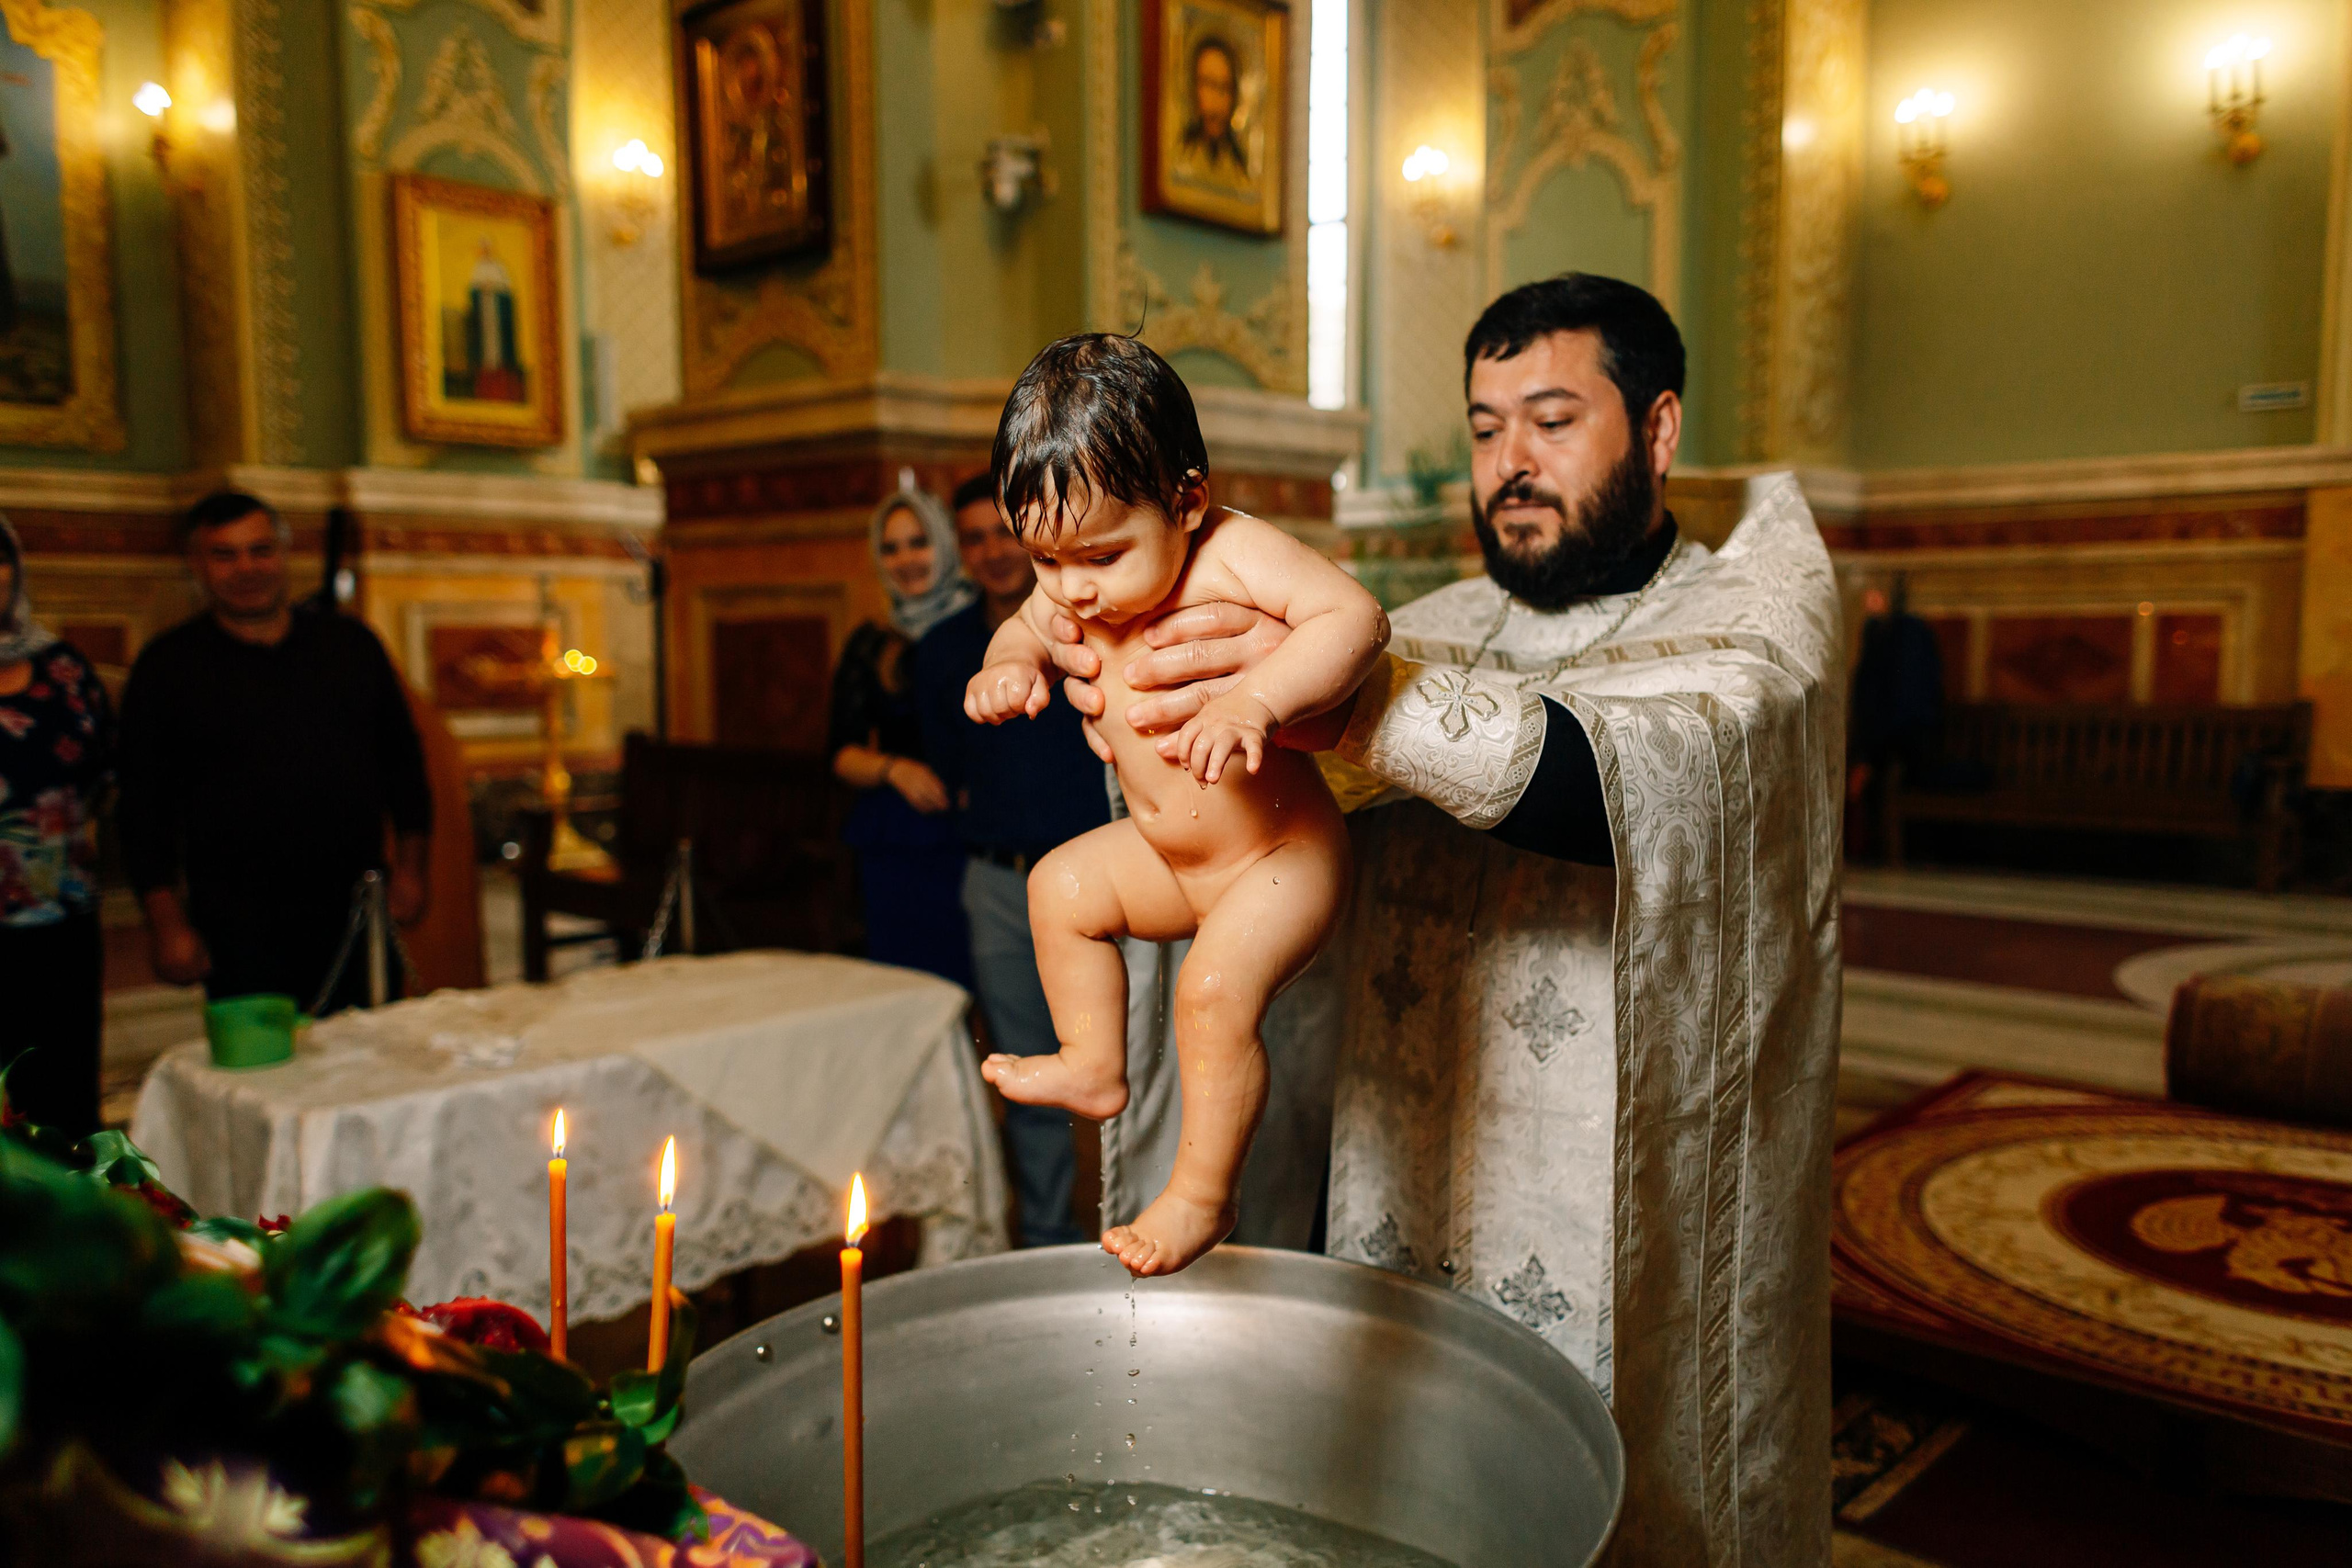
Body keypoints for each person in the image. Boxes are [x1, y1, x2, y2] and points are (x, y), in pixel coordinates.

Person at [1048, 275, 1842, 1565]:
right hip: (1407, 1159)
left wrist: (1341, 706)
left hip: (1622, 1196)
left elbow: (1630, 796)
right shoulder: (1434, 625)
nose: (1508, 464)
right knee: (1412, 1501)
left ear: (1658, 428)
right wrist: (1139, 712)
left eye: (1550, 419)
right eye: (1484, 427)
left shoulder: (1753, 624)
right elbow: (1249, 832)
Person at [963, 334, 1388, 1277]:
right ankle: (1093, 1061)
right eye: (1044, 559)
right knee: (1061, 886)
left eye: (1102, 556)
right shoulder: (1072, 584)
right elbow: (1023, 629)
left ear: (1188, 500)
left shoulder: (1232, 554)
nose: (1073, 587)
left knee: (1208, 993)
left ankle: (1203, 1194)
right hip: (1171, 858)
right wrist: (1007, 666)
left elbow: (1356, 619)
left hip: (1278, 857)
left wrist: (1257, 697)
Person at [119, 491, 434, 1015]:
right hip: (236, 918)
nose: (247, 568)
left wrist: (413, 869)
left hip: (354, 905)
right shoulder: (167, 668)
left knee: (371, 1067)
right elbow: (142, 808)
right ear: (197, 565)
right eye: (225, 555)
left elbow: (403, 762)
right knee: (264, 1077)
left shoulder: (350, 646)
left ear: (284, 555)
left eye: (260, 550)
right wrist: (167, 923)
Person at [916, 473, 1112, 1248]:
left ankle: (1147, 1233)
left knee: (1137, 1055)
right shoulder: (943, 651)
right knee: (1031, 1069)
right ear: (959, 552)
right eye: (973, 539)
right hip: (998, 883)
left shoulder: (1085, 625)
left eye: (1003, 532)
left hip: (1105, 878)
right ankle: (1044, 1240)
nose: (992, 551)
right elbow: (946, 760)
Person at [829, 485, 974, 986]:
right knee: (907, 985)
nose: (905, 559)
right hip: (899, 838)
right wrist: (895, 769)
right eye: (890, 548)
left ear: (946, 544)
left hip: (974, 834)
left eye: (919, 542)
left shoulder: (987, 627)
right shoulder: (872, 642)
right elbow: (839, 751)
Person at [0, 517, 112, 1135]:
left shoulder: (64, 670)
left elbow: (103, 778)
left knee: (64, 1100)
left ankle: (76, 1227)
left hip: (59, 922)